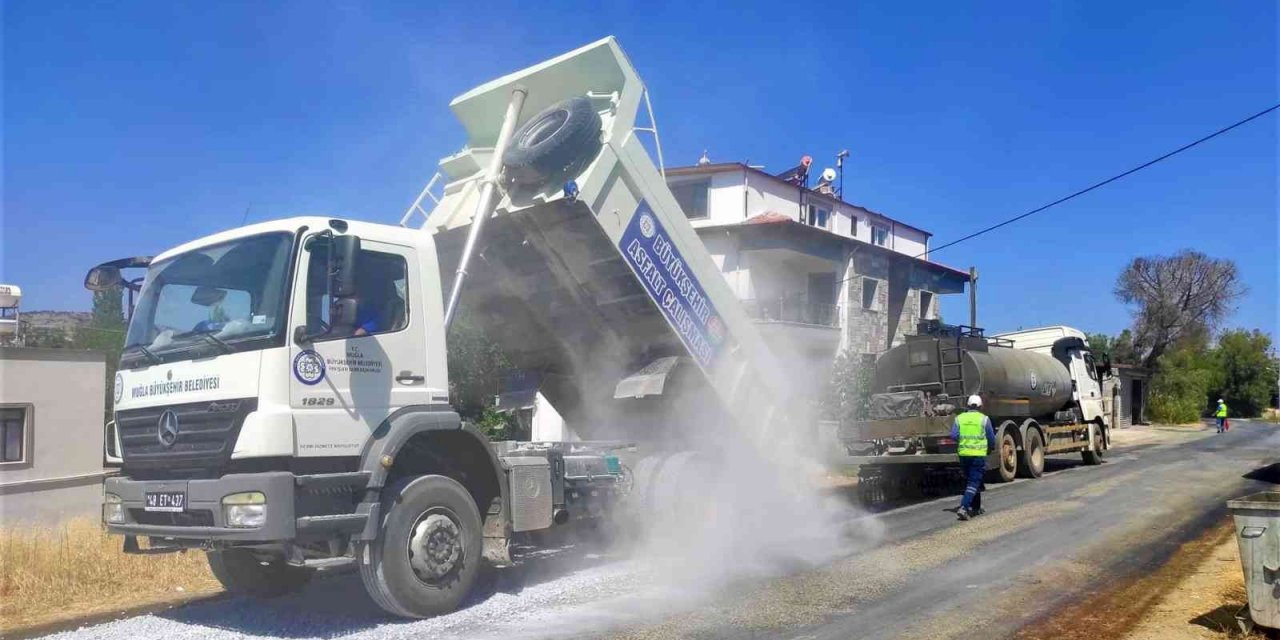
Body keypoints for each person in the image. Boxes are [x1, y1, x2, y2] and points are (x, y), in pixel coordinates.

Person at [952, 394, 997, 521]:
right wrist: (990, 448)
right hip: (978, 455)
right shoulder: (984, 419)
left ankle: (976, 507)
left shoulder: (959, 419)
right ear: (980, 406)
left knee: (973, 481)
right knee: (974, 482)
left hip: (964, 455)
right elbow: (991, 438)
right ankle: (964, 507)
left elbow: (954, 436)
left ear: (967, 405)